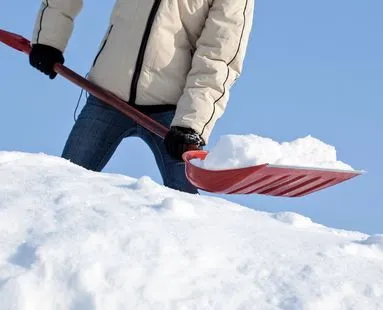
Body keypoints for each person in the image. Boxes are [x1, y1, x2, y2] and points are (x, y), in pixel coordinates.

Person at [29, 0, 254, 194]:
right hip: (108, 95)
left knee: (185, 210)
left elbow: (218, 58)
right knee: (62, 187)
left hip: (174, 117)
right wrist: (49, 39)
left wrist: (191, 126)